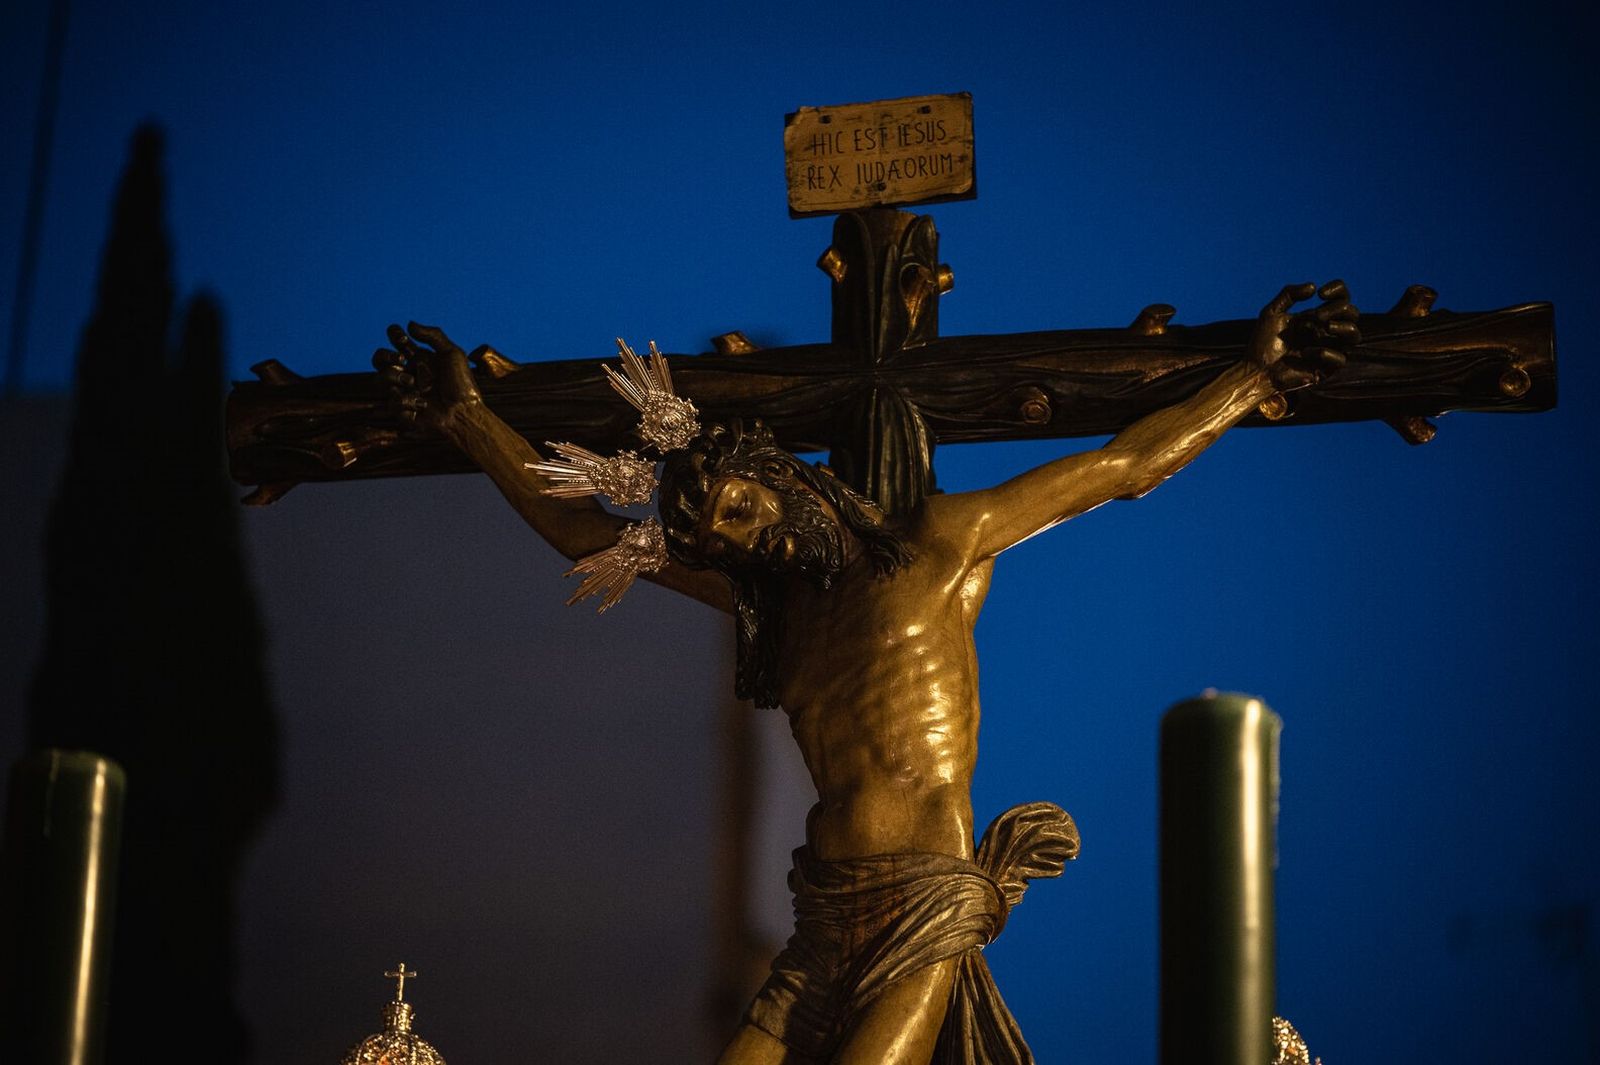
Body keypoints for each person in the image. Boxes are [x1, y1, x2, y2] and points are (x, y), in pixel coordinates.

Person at [374, 281, 1357, 1064]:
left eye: (733, 506)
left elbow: (1119, 467)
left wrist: (1248, 379)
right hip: (821, 914)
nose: (724, 535)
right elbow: (575, 528)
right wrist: (465, 419)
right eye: (706, 534)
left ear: (779, 477)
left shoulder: (939, 547)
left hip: (922, 902)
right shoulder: (777, 614)